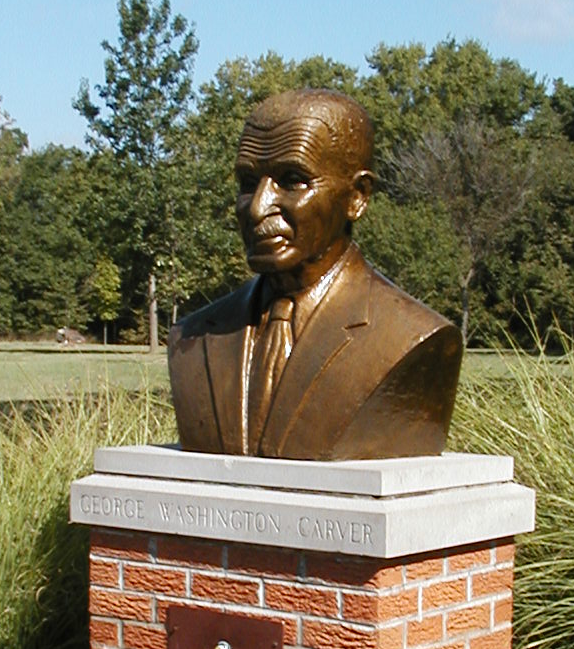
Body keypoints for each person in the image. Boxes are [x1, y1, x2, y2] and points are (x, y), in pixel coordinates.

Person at [168, 89, 462, 461]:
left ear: (357, 196)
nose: (257, 208)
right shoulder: (194, 337)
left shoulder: (413, 337)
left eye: (292, 180)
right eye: (247, 182)